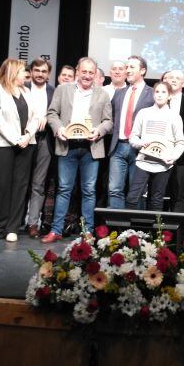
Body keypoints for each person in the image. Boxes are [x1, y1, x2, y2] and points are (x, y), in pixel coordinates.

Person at [42, 57, 113, 242]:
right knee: (64, 189)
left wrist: (99, 131)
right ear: (78, 71)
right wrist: (59, 128)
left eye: (91, 72)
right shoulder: (63, 89)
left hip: (91, 147)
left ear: (95, 74)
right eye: (84, 71)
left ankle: (87, 230)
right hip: (68, 146)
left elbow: (108, 121)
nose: (87, 75)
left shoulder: (103, 94)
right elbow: (52, 113)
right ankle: (56, 230)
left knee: (89, 190)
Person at [0, 59, 39, 242]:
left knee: (20, 186)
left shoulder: (27, 91)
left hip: (26, 144)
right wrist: (15, 139)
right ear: (13, 72)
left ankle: (12, 228)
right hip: (4, 144)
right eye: (23, 71)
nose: (26, 74)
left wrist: (27, 135)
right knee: (2, 185)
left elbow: (36, 116)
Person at [126, 82, 184, 210]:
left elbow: (180, 142)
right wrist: (141, 143)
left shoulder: (174, 116)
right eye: (157, 92)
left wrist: (173, 157)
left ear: (169, 96)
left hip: (163, 164)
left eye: (163, 92)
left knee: (156, 200)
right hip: (143, 161)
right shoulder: (144, 113)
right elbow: (133, 137)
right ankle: (129, 230)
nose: (160, 95)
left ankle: (154, 230)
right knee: (132, 197)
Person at [108, 55, 154, 208]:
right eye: (127, 67)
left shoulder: (152, 94)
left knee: (137, 191)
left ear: (142, 70)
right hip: (118, 147)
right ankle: (116, 229)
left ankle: (137, 231)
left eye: (131, 67)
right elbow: (113, 118)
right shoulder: (120, 93)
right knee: (114, 189)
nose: (127, 70)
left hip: (140, 149)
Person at [24, 58, 55, 238]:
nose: (40, 74)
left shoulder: (54, 91)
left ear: (48, 74)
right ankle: (16, 220)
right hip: (24, 139)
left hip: (44, 140)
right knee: (21, 182)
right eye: (37, 70)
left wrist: (48, 119)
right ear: (31, 71)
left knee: (38, 183)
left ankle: (33, 223)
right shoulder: (22, 87)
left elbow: (57, 113)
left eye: (44, 71)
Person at [163, 70, 184, 212]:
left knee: (179, 194)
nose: (173, 80)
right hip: (159, 153)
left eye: (177, 78)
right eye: (170, 77)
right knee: (158, 193)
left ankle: (175, 233)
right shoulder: (158, 99)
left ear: (183, 83)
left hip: (182, 156)